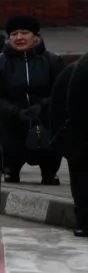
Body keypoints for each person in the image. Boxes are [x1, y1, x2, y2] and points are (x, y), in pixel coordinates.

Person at [0, 14, 65, 184]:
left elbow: (60, 92)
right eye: (14, 34)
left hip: (43, 119)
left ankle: (50, 171)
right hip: (13, 120)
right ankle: (10, 168)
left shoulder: (52, 61)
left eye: (24, 33)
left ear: (36, 36)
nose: (19, 38)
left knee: (53, 131)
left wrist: (41, 106)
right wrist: (16, 112)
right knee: (7, 135)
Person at [47, 53, 88, 237]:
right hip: (77, 129)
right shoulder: (82, 68)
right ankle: (84, 222)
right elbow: (75, 105)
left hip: (75, 124)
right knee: (82, 174)